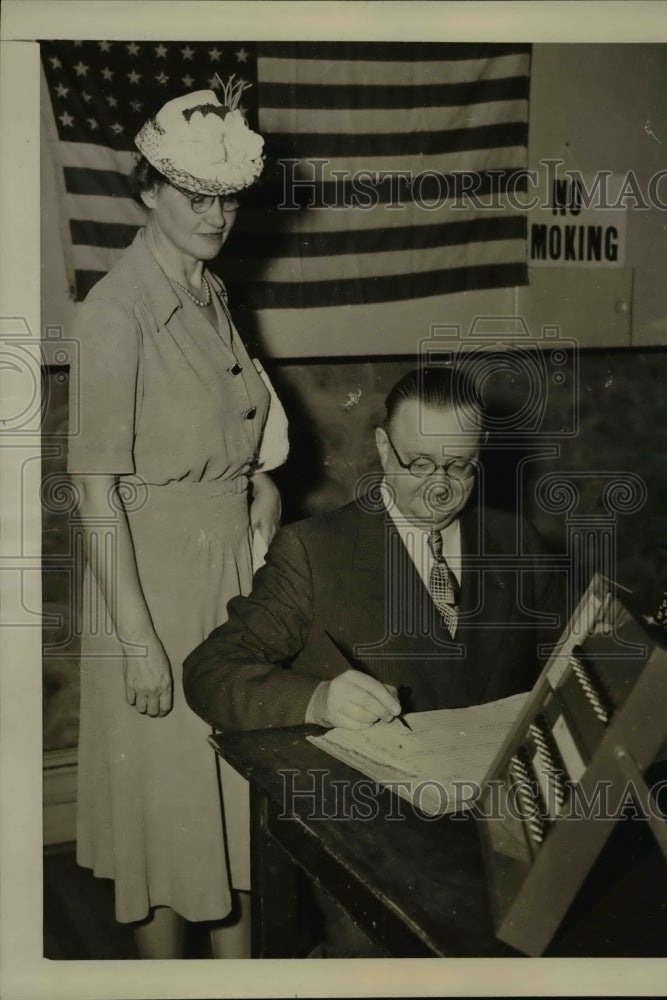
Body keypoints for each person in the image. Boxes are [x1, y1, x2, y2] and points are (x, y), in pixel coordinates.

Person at [68, 84, 288, 959]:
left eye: (226, 196)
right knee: (164, 813)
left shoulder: (209, 291)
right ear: (148, 191)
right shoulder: (114, 312)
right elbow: (93, 495)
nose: (214, 214)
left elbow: (242, 430)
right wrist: (137, 640)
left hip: (226, 569)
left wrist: (259, 491)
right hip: (150, 588)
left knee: (224, 796)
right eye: (193, 194)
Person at [183, 365, 564, 735]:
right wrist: (316, 700)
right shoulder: (312, 553)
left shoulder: (517, 542)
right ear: (383, 447)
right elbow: (210, 671)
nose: (440, 488)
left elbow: (568, 660)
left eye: (460, 466)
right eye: (420, 463)